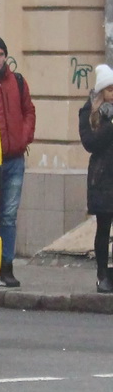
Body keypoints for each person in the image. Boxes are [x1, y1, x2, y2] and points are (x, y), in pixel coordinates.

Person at [0, 34, 36, 288]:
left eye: (0, 55)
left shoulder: (16, 81)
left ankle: (6, 267)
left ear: (5, 57)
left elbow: (29, 110)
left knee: (7, 216)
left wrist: (24, 136)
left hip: (14, 159)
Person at [78, 63, 113, 293]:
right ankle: (102, 275)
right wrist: (111, 127)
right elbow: (89, 143)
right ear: (101, 92)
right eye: (110, 89)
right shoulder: (88, 112)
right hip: (102, 179)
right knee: (103, 228)